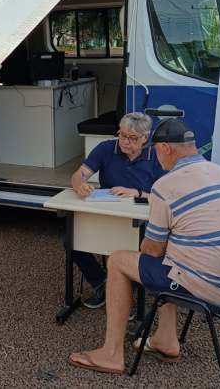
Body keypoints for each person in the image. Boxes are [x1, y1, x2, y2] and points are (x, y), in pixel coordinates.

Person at [68, 118, 220, 374]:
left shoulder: (166, 186)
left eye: (153, 147)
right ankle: (166, 339)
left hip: (210, 288)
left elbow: (152, 251)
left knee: (118, 260)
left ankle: (111, 354)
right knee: (172, 258)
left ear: (164, 148)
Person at [66, 112, 166, 308]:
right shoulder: (106, 148)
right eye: (122, 135)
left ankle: (123, 294)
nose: (125, 142)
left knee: (143, 248)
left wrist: (138, 192)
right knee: (71, 240)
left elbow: (166, 195)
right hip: (108, 214)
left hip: (140, 220)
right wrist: (80, 185)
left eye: (132, 138)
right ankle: (103, 283)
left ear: (145, 138)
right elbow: (79, 175)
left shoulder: (156, 156)